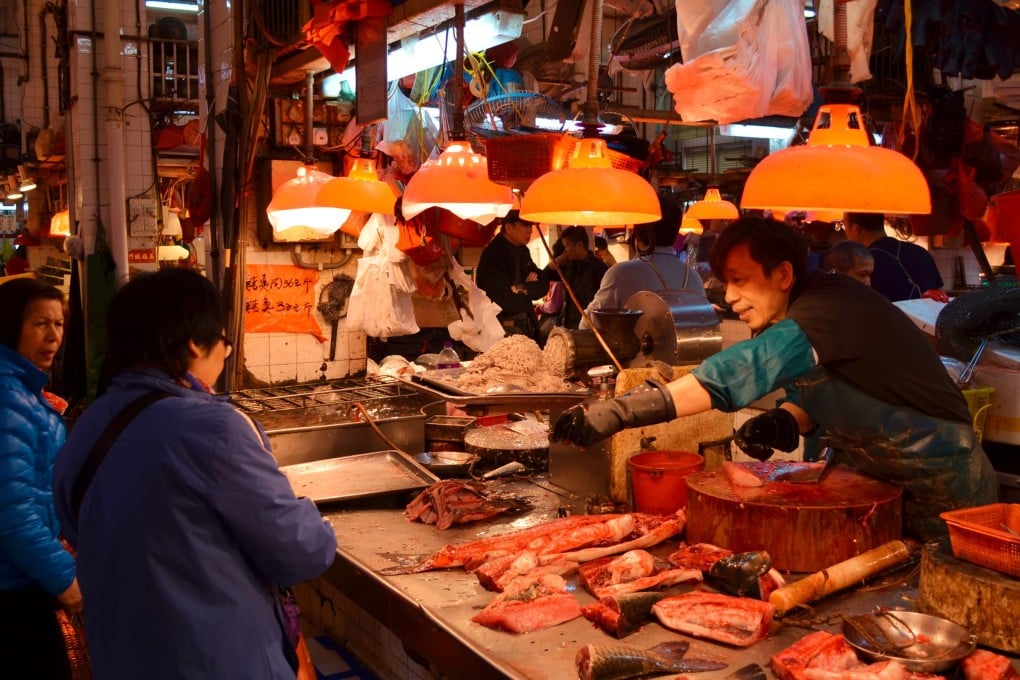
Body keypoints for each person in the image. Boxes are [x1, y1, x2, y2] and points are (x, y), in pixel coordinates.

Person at [553, 217, 997, 540]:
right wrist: (787, 419)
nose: (728, 297)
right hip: (877, 482)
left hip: (945, 486)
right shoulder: (801, 312)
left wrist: (619, 411)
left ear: (783, 274)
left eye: (739, 280)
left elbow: (739, 370)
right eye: (725, 282)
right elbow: (839, 387)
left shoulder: (831, 306)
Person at [53, 269, 337, 680]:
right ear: (192, 342)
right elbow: (298, 550)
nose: (224, 353)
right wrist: (319, 521)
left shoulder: (86, 428)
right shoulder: (214, 427)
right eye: (224, 340)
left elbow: (80, 527)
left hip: (123, 658)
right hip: (219, 662)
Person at [0, 278, 81, 679]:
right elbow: (12, 511)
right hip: (12, 587)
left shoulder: (22, 389)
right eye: (40, 324)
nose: (53, 336)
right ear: (10, 325)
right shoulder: (7, 398)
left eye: (59, 324)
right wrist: (63, 577)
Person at [580, 195, 706, 328]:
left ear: (638, 234)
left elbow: (588, 324)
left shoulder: (621, 274)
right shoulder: (694, 277)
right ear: (676, 235)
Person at [475, 210, 550, 342]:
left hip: (525, 325)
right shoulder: (494, 254)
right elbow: (505, 300)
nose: (530, 231)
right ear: (509, 228)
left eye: (531, 226)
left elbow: (543, 284)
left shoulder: (522, 250)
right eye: (525, 226)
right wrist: (527, 292)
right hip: (502, 328)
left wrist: (522, 287)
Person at [844, 212, 944, 301]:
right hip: (930, 320)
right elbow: (941, 295)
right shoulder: (921, 252)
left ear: (855, 229)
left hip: (890, 321)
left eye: (844, 225)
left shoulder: (863, 263)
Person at [549, 226, 608, 330]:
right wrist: (559, 260)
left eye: (566, 246)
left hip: (588, 327)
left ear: (579, 245)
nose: (565, 251)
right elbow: (546, 274)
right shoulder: (568, 266)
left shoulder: (599, 268)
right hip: (567, 325)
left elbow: (604, 300)